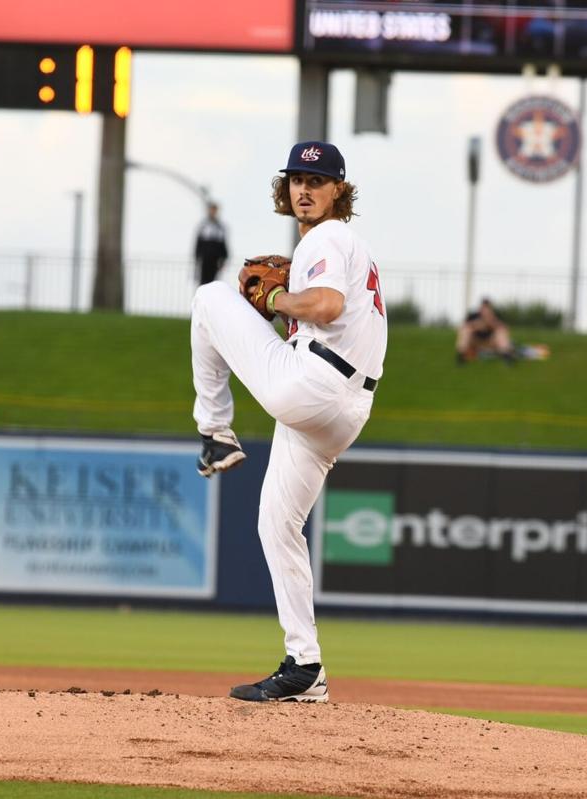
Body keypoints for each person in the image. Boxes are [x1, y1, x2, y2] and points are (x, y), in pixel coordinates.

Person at [190, 141, 385, 704]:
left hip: (315, 386)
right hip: (343, 408)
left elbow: (322, 306)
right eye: (298, 178)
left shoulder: (327, 237)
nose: (305, 188)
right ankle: (306, 667)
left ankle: (214, 430)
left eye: (318, 181)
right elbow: (328, 317)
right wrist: (286, 300)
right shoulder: (355, 249)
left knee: (208, 298)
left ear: (338, 193)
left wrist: (277, 296)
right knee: (277, 525)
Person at [456, 298, 515, 365]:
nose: (486, 311)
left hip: (491, 342)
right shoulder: (473, 316)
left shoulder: (496, 316)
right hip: (476, 341)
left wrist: (492, 324)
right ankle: (461, 355)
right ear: (480, 308)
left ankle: (507, 356)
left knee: (501, 332)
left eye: (488, 308)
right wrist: (476, 326)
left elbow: (506, 329)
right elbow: (461, 328)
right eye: (484, 308)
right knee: (466, 330)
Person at [194, 202, 229, 285]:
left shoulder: (220, 228)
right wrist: (197, 258)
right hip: (205, 260)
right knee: (203, 282)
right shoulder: (203, 226)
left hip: (215, 260)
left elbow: (223, 246)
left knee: (213, 283)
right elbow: (198, 245)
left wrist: (223, 259)